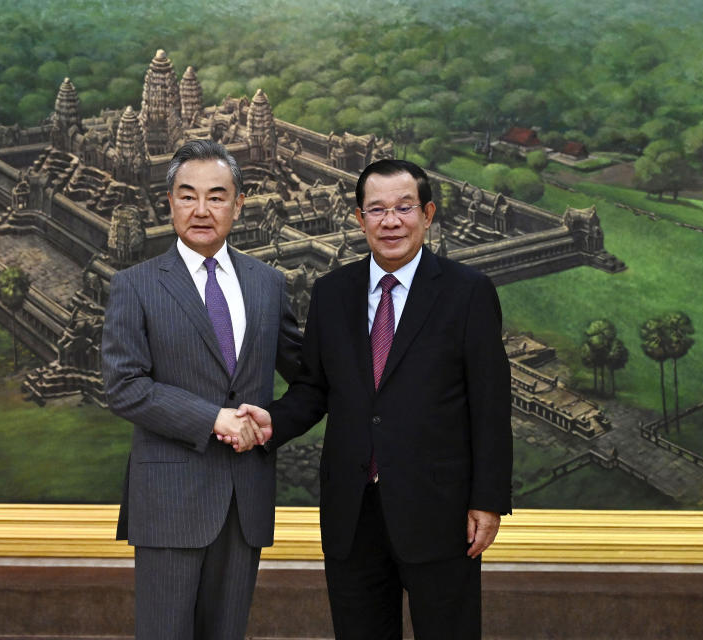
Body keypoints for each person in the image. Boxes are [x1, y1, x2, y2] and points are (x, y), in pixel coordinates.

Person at [239, 158, 512, 640]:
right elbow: (314, 389)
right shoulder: (332, 293)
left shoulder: (467, 293)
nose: (391, 221)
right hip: (352, 511)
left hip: (439, 511)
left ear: (427, 215)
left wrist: (487, 501)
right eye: (377, 209)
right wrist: (270, 423)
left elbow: (490, 405)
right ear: (359, 219)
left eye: (405, 208)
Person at [102, 139, 302, 640]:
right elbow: (123, 386)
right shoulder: (136, 285)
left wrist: (274, 423)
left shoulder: (268, 284)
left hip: (244, 502)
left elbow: (310, 375)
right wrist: (212, 418)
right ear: (168, 202)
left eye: (216, 196)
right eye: (187, 195)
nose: (201, 209)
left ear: (238, 204)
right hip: (169, 500)